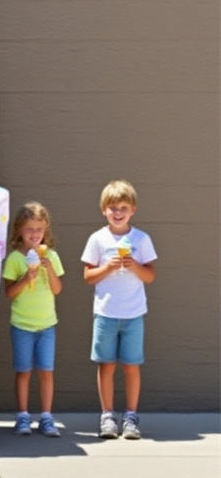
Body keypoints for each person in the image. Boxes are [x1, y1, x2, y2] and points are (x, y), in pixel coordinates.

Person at [82, 180, 156, 440]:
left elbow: (150, 276)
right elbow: (88, 276)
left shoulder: (141, 239)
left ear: (133, 210)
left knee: (132, 366)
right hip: (105, 313)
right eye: (113, 207)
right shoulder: (97, 239)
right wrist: (108, 268)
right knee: (106, 365)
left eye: (123, 207)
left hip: (133, 314)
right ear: (104, 210)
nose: (118, 212)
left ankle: (131, 417)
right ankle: (107, 416)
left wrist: (134, 265)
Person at [2, 202, 65, 437]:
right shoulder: (15, 259)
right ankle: (23, 416)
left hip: (47, 325)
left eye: (39, 229)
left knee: (46, 371)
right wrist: (26, 278)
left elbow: (57, 289)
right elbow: (9, 293)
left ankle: (46, 417)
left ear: (45, 230)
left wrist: (48, 268)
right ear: (19, 230)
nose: (34, 234)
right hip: (22, 325)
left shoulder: (52, 256)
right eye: (29, 229)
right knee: (24, 371)